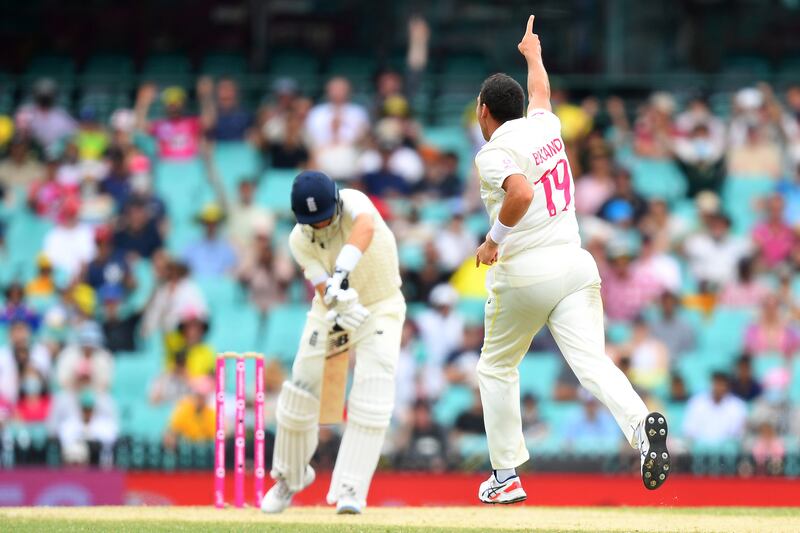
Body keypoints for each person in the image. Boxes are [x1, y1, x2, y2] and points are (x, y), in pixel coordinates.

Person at [471, 16, 669, 504]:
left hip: (525, 271)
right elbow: (541, 93)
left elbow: (519, 192)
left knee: (496, 368)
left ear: (483, 112)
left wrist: (493, 239)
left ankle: (505, 476)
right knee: (593, 364)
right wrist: (533, 55)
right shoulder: (545, 124)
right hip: (576, 265)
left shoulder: (492, 151)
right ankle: (643, 429)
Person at [261, 171, 405, 515]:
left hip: (381, 306)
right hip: (334, 309)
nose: (321, 227)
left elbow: (366, 229)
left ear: (336, 204)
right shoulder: (299, 240)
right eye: (314, 222)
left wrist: (341, 272)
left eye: (326, 218)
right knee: (299, 390)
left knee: (373, 392)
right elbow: (322, 285)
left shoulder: (355, 202)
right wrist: (338, 298)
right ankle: (289, 478)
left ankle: (351, 488)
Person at [682, 372, 747, 445]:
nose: (718, 388)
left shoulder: (737, 405)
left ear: (727, 386)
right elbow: (689, 430)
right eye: (716, 384)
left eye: (721, 384)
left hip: (728, 450)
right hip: (700, 449)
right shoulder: (696, 403)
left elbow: (738, 434)